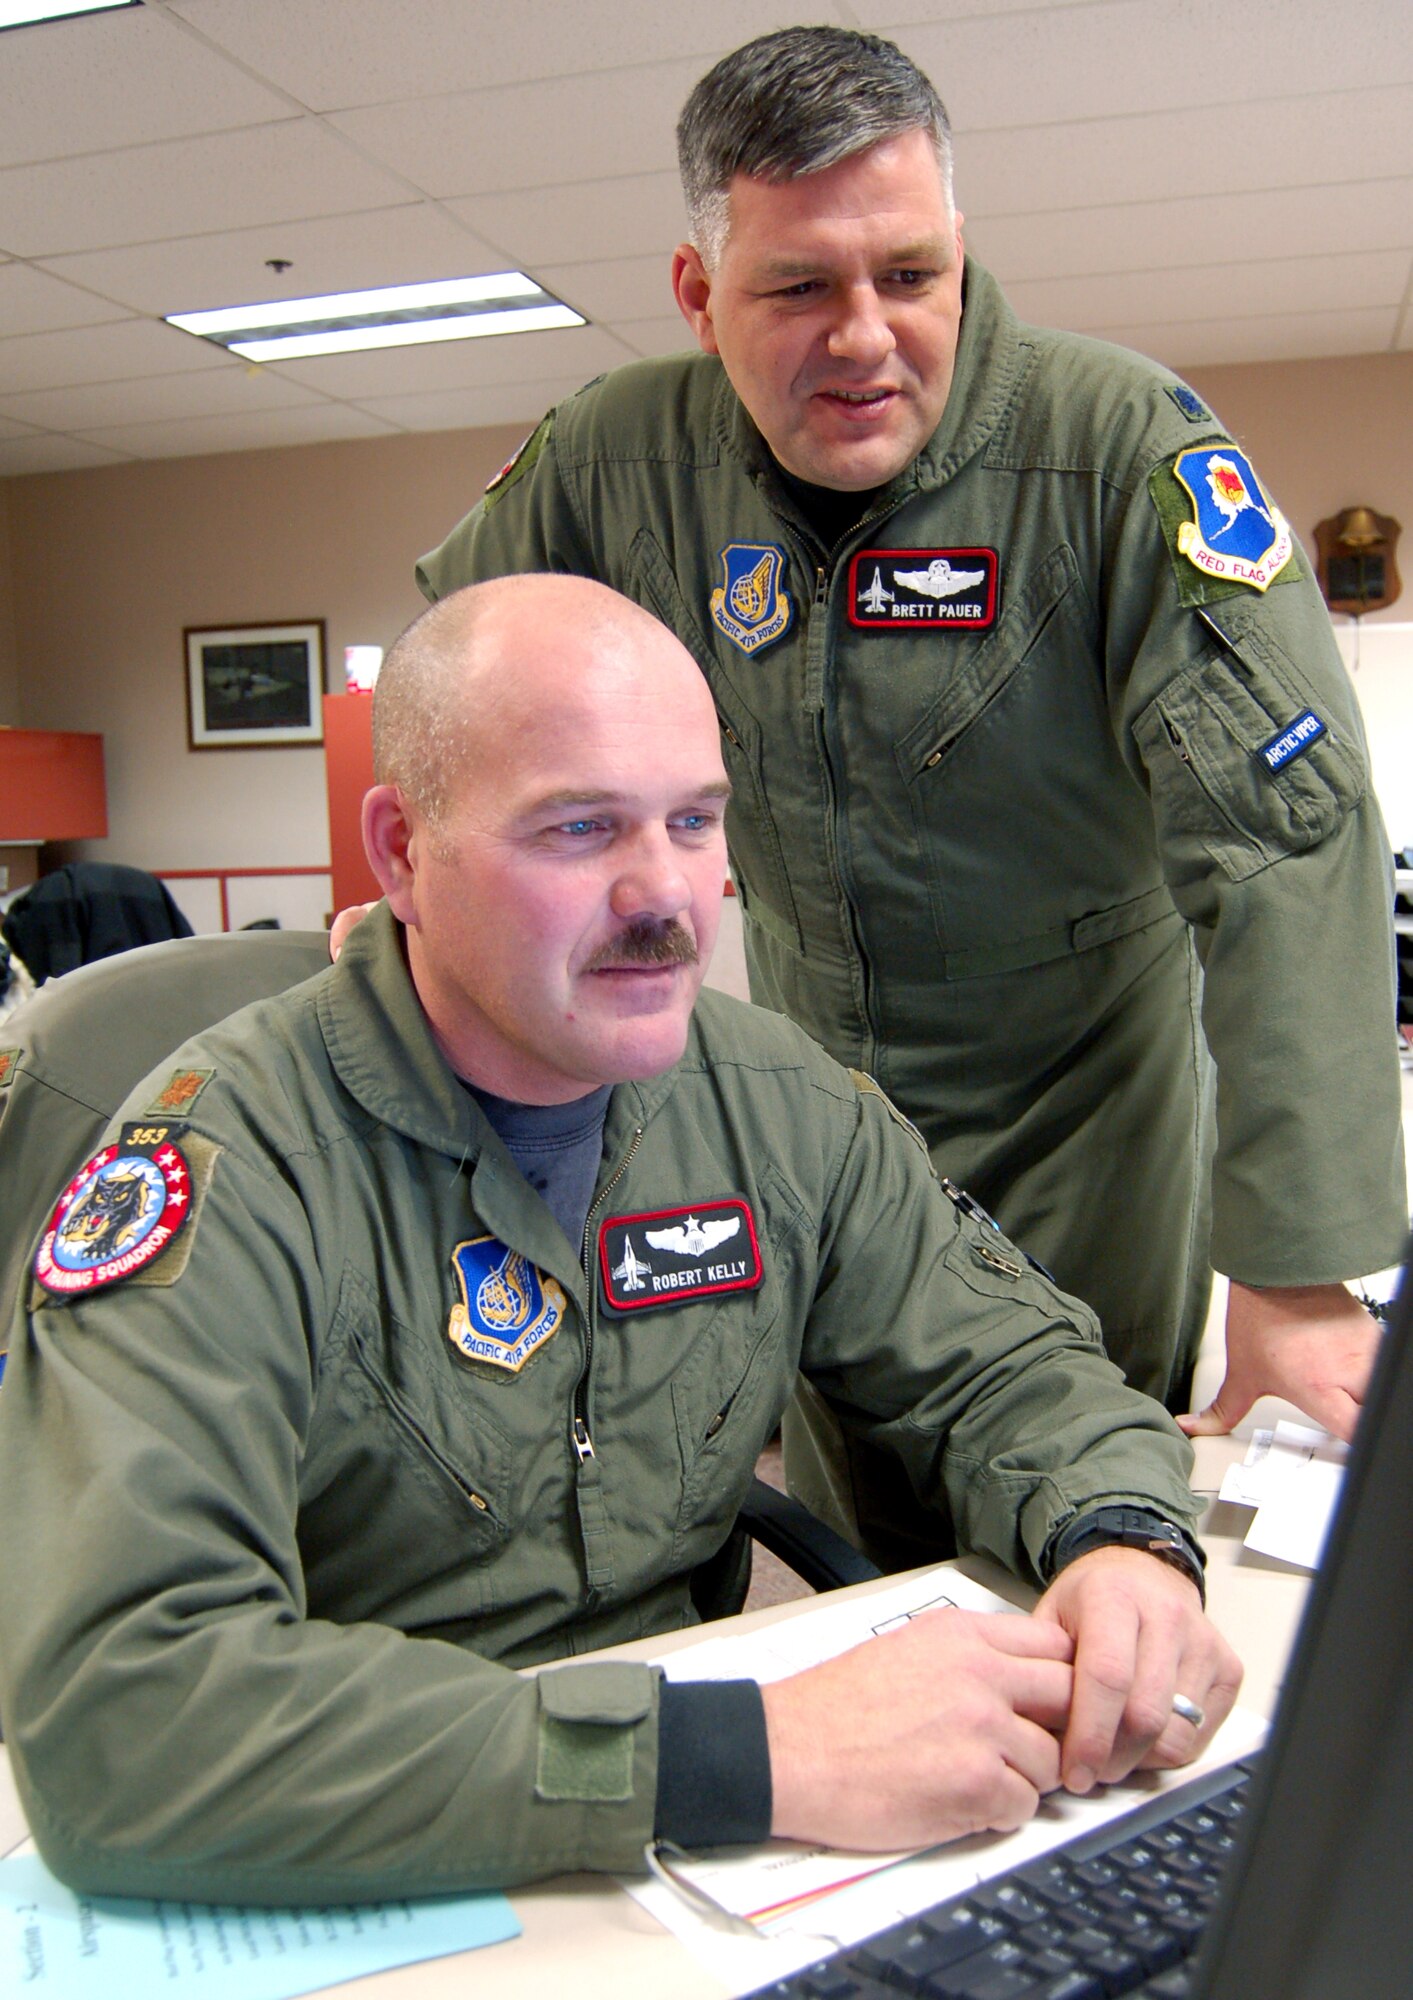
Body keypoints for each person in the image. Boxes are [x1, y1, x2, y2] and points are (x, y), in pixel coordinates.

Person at [0, 576, 1240, 1905]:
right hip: (377, 1834)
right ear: (402, 851)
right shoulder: (226, 1167)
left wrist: (1125, 1544)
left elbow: (1009, 1364)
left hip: (712, 1862)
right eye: (580, 828)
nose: (665, 896)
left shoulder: (773, 1103)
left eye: (694, 821)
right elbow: (126, 1722)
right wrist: (733, 1758)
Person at [416, 27, 1406, 1562]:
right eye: (798, 287)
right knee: (857, 1505)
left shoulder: (1115, 452)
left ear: (961, 253)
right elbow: (448, 707)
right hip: (797, 1086)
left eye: (910, 274)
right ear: (698, 294)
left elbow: (1283, 845)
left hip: (1081, 1090)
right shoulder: (614, 461)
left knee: (1075, 1507)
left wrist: (1294, 1273)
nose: (865, 336)